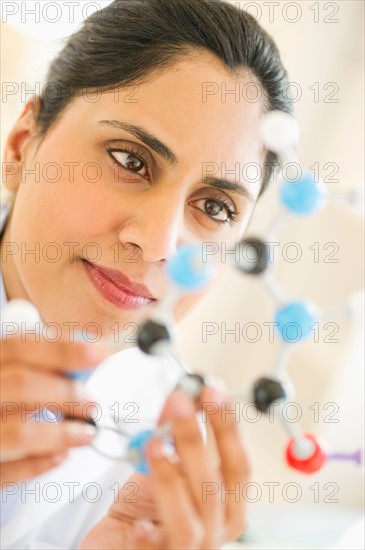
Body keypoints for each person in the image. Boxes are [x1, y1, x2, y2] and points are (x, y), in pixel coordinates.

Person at [0, 0, 292, 548]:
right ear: (21, 145)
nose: (158, 244)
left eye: (215, 207)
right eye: (130, 160)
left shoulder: (162, 445)